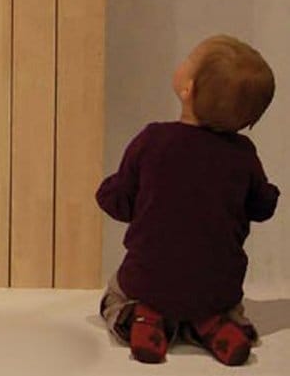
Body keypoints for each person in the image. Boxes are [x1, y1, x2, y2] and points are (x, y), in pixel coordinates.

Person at [96, 35, 279, 366]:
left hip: (148, 282)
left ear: (187, 89)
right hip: (217, 290)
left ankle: (145, 319)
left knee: (115, 295)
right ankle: (213, 324)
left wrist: (107, 191)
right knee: (219, 301)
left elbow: (120, 201)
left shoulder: (152, 141)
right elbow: (261, 207)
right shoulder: (243, 155)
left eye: (189, 59)